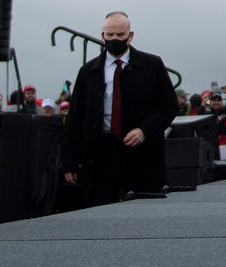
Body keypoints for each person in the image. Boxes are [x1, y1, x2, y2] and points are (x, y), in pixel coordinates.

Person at [62, 12, 176, 202]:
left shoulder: (152, 65)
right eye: (110, 35)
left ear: (130, 36)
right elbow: (75, 119)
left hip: (142, 153)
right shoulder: (88, 71)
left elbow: (169, 105)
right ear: (103, 36)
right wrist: (69, 163)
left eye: (120, 35)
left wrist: (144, 130)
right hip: (100, 154)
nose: (115, 39)